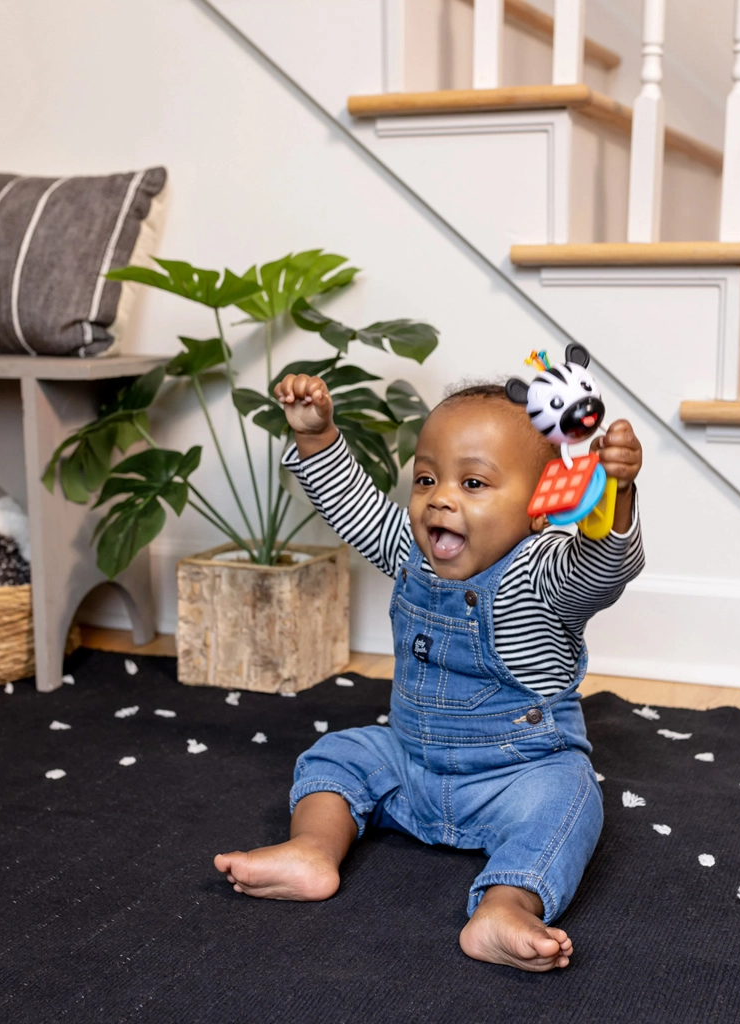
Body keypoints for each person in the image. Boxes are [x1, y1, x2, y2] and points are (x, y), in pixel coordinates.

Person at [214, 369, 645, 972]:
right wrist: (316, 437)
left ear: (541, 506)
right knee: (337, 755)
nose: (440, 498)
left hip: (515, 776)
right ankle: (311, 849)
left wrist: (617, 496)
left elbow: (604, 571)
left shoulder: (545, 572)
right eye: (425, 479)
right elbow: (353, 505)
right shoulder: (412, 552)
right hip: (411, 762)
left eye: (473, 482)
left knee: (571, 798)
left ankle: (505, 904)